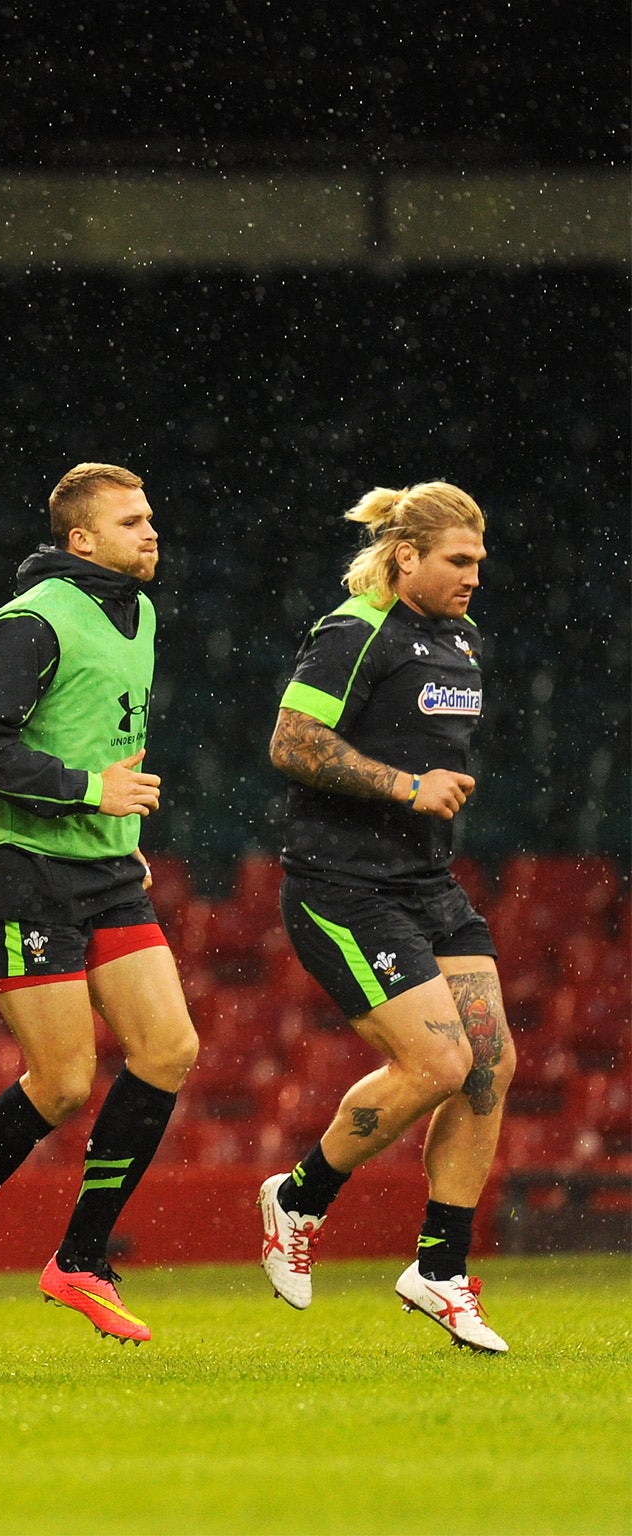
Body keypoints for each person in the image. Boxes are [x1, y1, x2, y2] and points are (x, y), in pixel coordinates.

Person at [0, 462, 197, 1352]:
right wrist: (85, 790)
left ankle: (82, 1259)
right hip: (18, 872)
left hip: (102, 872)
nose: (151, 532)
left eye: (151, 517)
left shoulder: (138, 613)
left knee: (169, 1048)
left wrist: (110, 813)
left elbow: (104, 732)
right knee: (62, 1082)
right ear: (81, 541)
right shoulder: (33, 621)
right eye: (131, 521)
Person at [257, 481, 513, 1353]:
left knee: (490, 1065)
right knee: (439, 1060)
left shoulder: (461, 640)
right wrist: (408, 786)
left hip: (427, 884)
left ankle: (439, 1272)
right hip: (343, 888)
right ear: (406, 556)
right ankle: (298, 1199)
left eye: (478, 560)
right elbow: (291, 743)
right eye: (458, 560)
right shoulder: (353, 631)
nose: (474, 575)